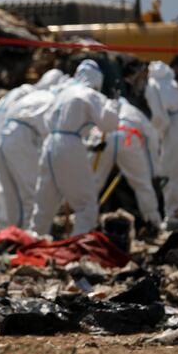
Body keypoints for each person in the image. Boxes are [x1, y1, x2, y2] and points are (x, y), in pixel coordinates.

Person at [30, 60, 120, 235]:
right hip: (69, 144)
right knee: (86, 206)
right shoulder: (89, 94)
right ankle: (79, 246)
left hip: (50, 144)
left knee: (44, 204)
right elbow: (108, 124)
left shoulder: (62, 92)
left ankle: (34, 240)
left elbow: (46, 120)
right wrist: (113, 104)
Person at [90, 98, 162, 231]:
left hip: (104, 138)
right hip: (129, 139)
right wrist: (154, 172)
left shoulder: (103, 109)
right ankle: (154, 222)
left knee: (93, 184)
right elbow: (151, 139)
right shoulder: (135, 112)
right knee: (142, 185)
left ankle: (85, 224)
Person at [0, 88, 55, 228]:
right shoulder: (54, 101)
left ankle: (12, 233)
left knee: (11, 192)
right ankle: (29, 233)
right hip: (21, 137)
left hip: (4, 133)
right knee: (30, 192)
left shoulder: (39, 96)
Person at [146, 58, 178, 227]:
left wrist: (158, 134)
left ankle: (173, 214)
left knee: (171, 174)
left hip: (173, 129)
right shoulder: (169, 81)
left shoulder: (153, 84)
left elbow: (159, 117)